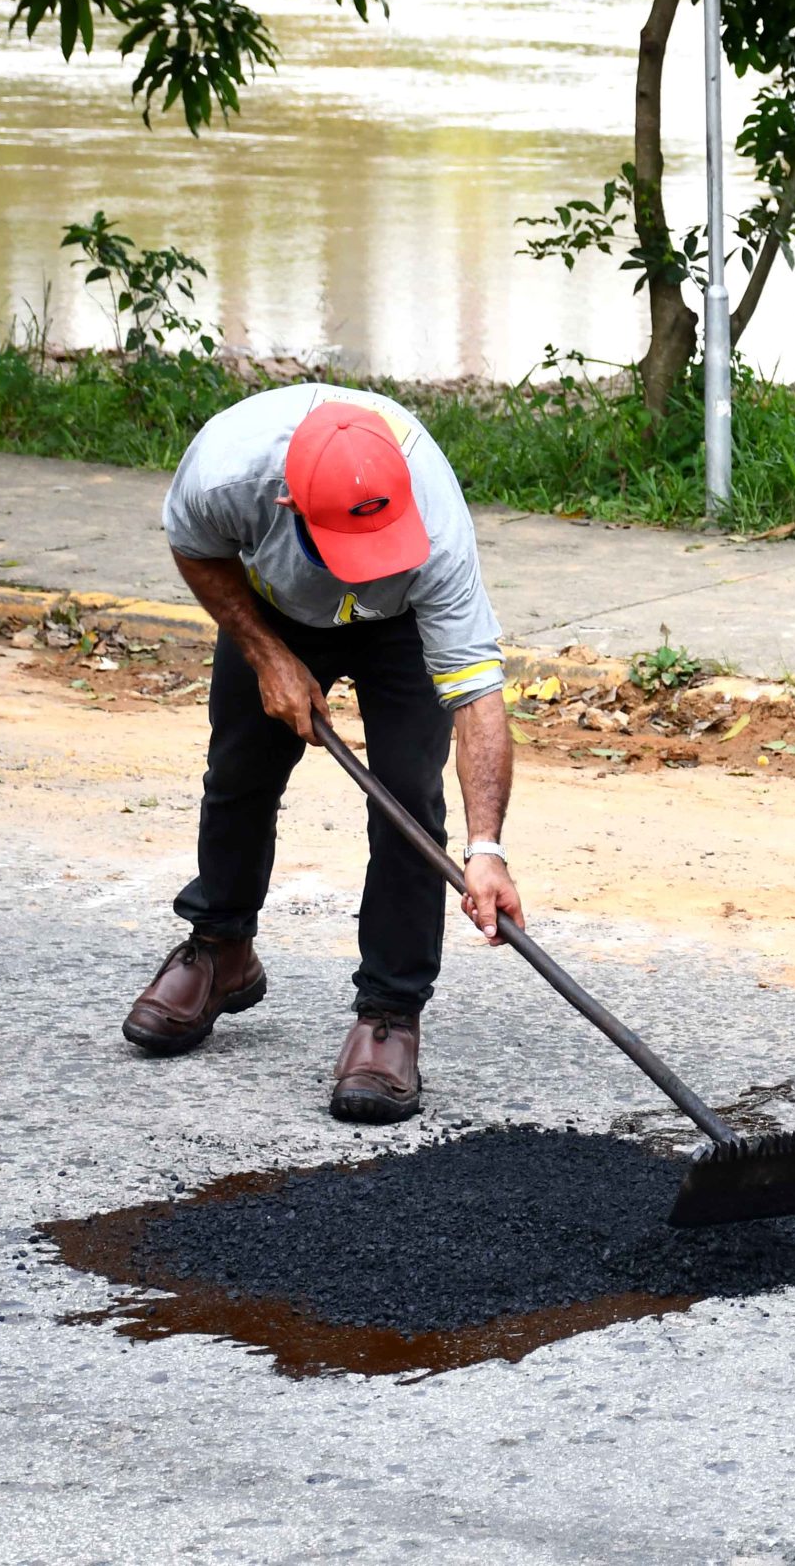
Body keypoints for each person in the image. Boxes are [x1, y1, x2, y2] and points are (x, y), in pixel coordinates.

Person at [122, 384, 524, 1124]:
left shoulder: (434, 529)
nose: (364, 566)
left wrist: (487, 849)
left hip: (399, 626)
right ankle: (221, 950)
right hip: (275, 605)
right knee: (241, 769)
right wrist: (264, 653)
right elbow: (194, 549)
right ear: (285, 505)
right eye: (351, 550)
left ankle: (391, 1015)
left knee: (407, 797)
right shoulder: (227, 473)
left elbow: (476, 696)